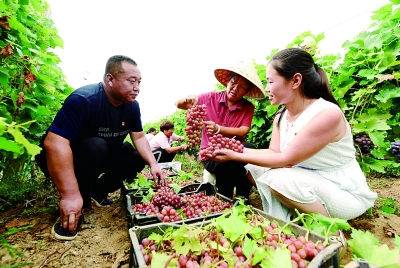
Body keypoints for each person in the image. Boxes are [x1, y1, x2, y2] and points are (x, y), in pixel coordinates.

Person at [208, 48, 378, 224]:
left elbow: (286, 160)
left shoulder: (326, 114)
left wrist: (235, 155)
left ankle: (328, 226)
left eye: (270, 82)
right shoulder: (281, 116)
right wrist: (236, 150)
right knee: (252, 169)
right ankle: (296, 214)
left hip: (341, 190)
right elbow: (274, 152)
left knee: (278, 180)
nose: (266, 89)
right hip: (306, 178)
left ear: (295, 80)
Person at [35, 55, 165, 241]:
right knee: (95, 145)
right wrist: (69, 196)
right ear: (110, 79)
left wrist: (153, 164)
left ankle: (98, 190)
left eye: (139, 82)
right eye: (131, 81)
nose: (137, 88)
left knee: (135, 156)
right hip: (68, 159)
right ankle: (77, 205)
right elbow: (54, 144)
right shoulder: (84, 100)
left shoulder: (132, 107)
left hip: (101, 155)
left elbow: (139, 136)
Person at [175, 60, 265, 199]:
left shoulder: (248, 107)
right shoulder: (210, 98)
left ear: (246, 91)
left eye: (241, 87)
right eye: (233, 82)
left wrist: (218, 129)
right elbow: (179, 104)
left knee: (248, 150)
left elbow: (243, 131)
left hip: (234, 150)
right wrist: (187, 98)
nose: (235, 88)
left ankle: (240, 198)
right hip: (209, 153)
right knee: (229, 162)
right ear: (227, 82)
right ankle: (227, 198)